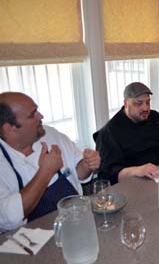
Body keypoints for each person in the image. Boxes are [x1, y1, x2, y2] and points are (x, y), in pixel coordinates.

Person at [0, 92, 100, 232]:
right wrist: (46, 172)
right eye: (32, 114)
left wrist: (87, 164)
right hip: (31, 243)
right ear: (9, 128)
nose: (41, 116)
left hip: (76, 222)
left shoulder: (50, 135)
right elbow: (8, 219)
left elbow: (78, 173)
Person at [94, 82, 159, 185]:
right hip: (140, 184)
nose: (145, 108)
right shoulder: (109, 132)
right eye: (138, 103)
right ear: (126, 103)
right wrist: (137, 170)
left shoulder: (154, 116)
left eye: (148, 102)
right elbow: (107, 175)